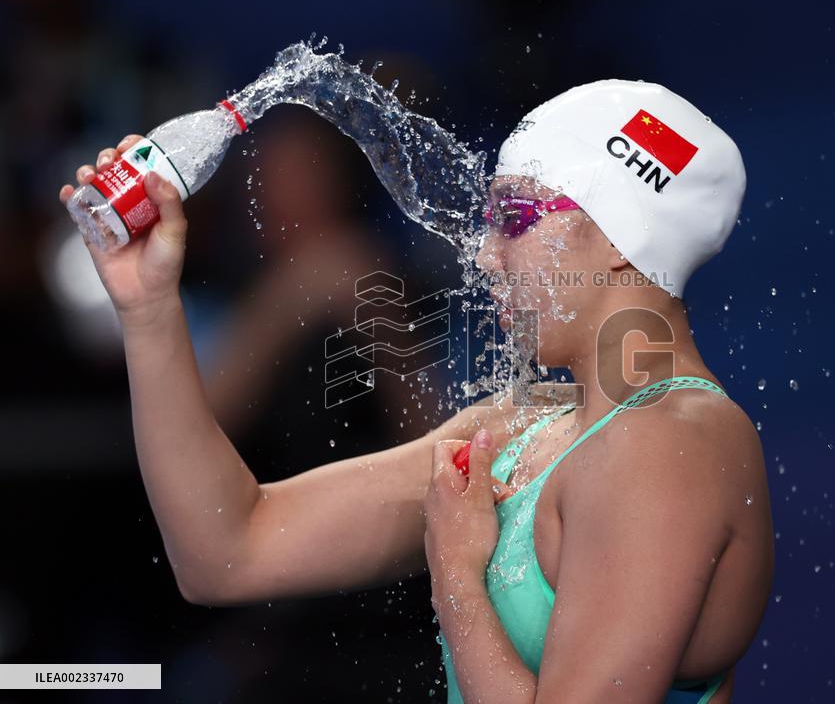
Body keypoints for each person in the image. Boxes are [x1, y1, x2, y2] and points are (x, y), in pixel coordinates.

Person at [59, 79, 773, 704]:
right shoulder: (526, 425)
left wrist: (457, 573)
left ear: (621, 236)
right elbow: (225, 549)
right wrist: (149, 311)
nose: (485, 254)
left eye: (516, 219)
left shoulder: (670, 440)